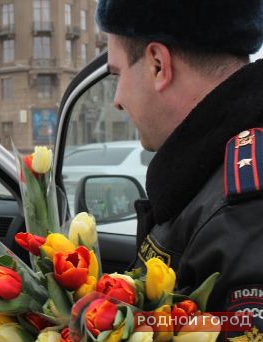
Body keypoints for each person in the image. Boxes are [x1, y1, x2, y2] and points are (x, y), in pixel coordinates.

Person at [96, 0, 263, 339]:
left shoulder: (240, 216)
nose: (117, 99)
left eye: (117, 74)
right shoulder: (209, 179)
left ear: (159, 65)